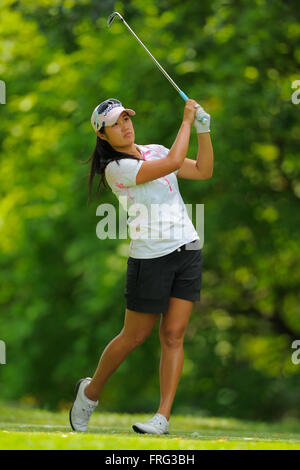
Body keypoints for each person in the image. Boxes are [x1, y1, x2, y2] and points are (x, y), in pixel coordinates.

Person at [69, 97, 214, 434]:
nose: (126, 126)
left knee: (174, 335)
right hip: (150, 258)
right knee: (134, 336)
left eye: (127, 119)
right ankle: (90, 393)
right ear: (103, 136)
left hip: (187, 248)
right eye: (116, 124)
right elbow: (175, 160)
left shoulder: (156, 149)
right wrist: (187, 121)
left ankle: (161, 417)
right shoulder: (116, 169)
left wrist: (203, 130)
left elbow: (203, 171)